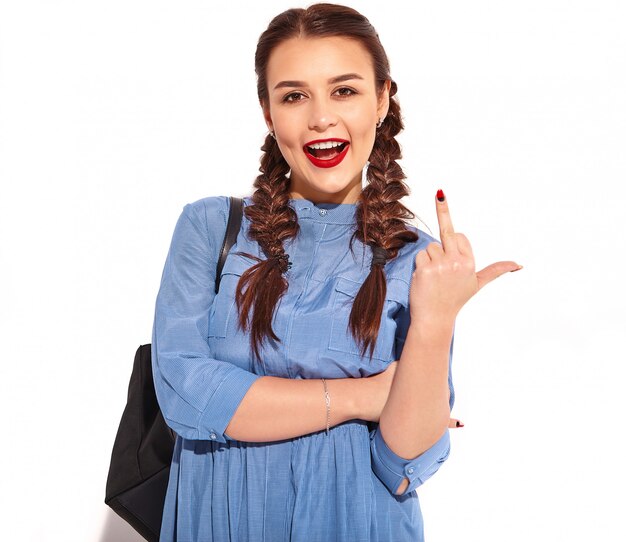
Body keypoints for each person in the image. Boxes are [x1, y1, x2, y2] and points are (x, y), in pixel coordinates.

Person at [151, 3, 521, 541]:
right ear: (267, 111)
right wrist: (362, 397)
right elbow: (187, 395)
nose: (320, 116)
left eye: (344, 90)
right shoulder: (211, 227)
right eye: (294, 95)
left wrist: (435, 323)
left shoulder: (418, 259)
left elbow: (402, 467)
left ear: (382, 99)